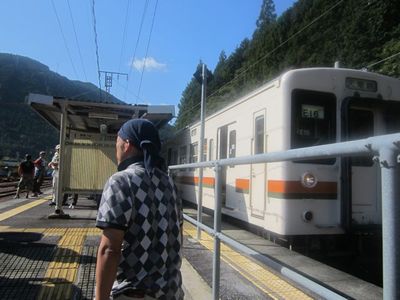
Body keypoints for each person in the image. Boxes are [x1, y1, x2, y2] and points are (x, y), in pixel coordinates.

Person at [95, 119, 183, 300]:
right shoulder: (169, 183)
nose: (116, 149)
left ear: (127, 145)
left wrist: (100, 298)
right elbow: (177, 236)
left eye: (117, 143)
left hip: (134, 293)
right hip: (171, 292)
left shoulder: (120, 181)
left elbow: (109, 250)